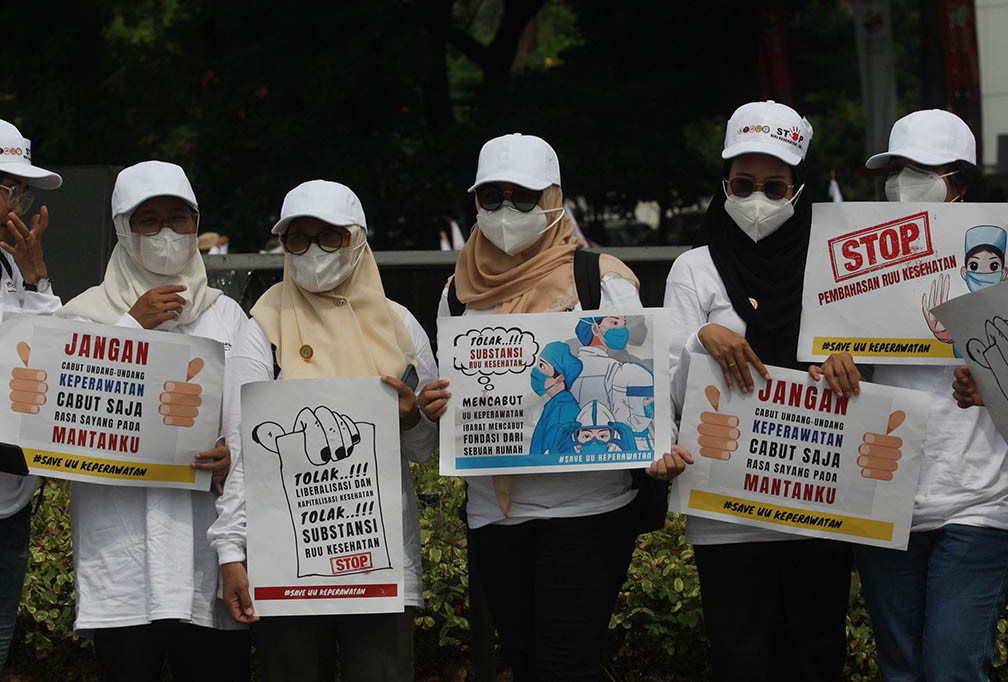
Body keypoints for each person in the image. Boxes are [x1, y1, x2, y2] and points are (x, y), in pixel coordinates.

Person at [420, 132, 691, 681]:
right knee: (524, 661)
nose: (505, 211)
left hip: (587, 509)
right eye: (490, 196)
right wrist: (435, 405)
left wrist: (662, 440)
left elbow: (650, 375)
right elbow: (443, 392)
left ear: (553, 199)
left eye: (522, 196)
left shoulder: (599, 280)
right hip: (495, 514)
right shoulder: (456, 292)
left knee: (566, 664)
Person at [209, 180, 442, 682]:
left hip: (377, 564)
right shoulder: (263, 325)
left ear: (356, 239)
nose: (312, 250)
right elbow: (244, 450)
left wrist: (410, 419)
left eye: (328, 236)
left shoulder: (399, 327)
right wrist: (231, 553)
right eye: (298, 238)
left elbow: (425, 450)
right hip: (286, 564)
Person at [664, 101, 854, 681]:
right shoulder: (694, 269)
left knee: (818, 653)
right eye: (743, 183)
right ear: (723, 184)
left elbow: (873, 374)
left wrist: (851, 362)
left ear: (800, 191)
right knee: (741, 656)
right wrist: (704, 336)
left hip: (819, 502)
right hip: (727, 512)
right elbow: (670, 394)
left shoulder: (836, 267)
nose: (757, 198)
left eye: (775, 186)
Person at [56, 160, 249, 682]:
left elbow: (248, 423)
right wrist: (128, 329)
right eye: (149, 220)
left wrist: (234, 455)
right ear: (123, 228)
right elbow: (65, 422)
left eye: (179, 217)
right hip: (123, 562)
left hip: (206, 557)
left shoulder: (225, 316)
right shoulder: (82, 318)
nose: (167, 232)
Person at [851, 109, 1008, 682]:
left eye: (920, 170)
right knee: (902, 670)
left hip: (975, 501)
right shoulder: (854, 262)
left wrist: (991, 385)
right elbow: (834, 362)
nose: (902, 184)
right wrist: (833, 365)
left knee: (952, 665)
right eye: (895, 171)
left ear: (961, 183)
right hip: (884, 502)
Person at [0, 119, 62, 675]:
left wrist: (39, 282)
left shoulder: (13, 269)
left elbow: (53, 364)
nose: (17, 201)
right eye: (7, 187)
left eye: (20, 190)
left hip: (10, 503)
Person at [529, 341, 582, 455]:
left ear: (559, 378)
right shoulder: (554, 405)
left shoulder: (565, 410)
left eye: (542, 366)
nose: (536, 371)